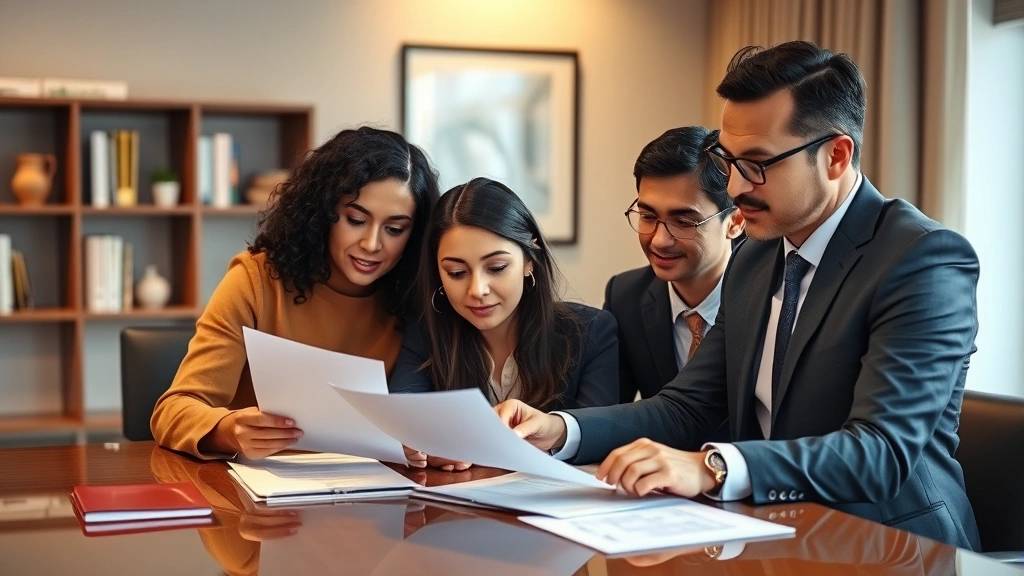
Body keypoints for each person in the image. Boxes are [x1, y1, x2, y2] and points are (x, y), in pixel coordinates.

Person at [496, 40, 981, 550]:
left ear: (836, 156)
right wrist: (558, 429)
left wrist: (712, 465)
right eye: (728, 161)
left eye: (756, 164)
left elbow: (882, 451)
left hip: (896, 547)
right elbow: (688, 406)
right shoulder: (756, 255)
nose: (734, 186)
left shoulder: (923, 259)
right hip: (771, 531)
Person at [151, 126, 441, 461]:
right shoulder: (256, 279)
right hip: (258, 495)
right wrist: (229, 429)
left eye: (394, 229)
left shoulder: (417, 300)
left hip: (368, 495)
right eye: (356, 220)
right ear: (324, 213)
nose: (372, 244)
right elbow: (171, 411)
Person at [389, 176, 619, 419]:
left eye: (496, 267)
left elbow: (594, 438)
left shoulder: (591, 333)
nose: (477, 290)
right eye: (457, 273)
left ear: (529, 260)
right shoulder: (425, 334)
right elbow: (401, 420)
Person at [606, 126, 744, 404]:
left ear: (735, 222)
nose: (659, 241)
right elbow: (612, 412)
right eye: (647, 215)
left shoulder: (771, 298)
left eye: (683, 222)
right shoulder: (625, 296)